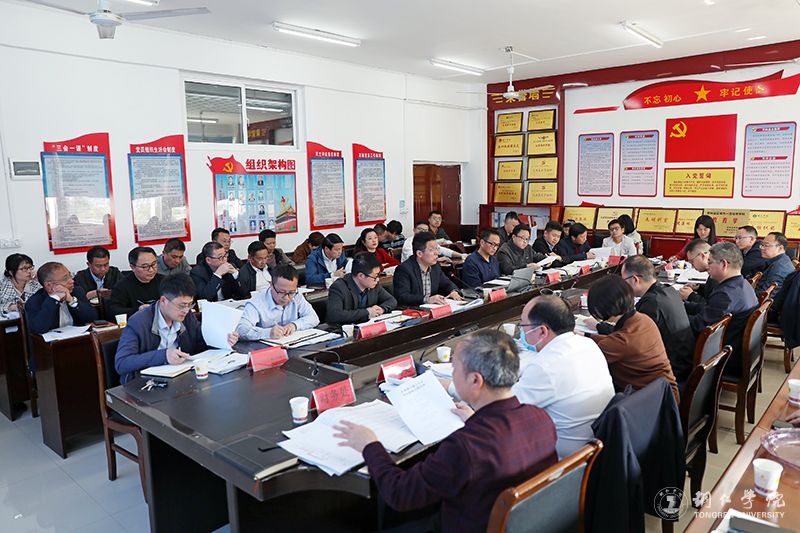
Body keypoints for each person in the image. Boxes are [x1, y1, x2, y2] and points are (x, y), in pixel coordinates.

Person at [333, 330, 558, 533]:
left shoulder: (466, 446)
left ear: (475, 380)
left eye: (454, 368)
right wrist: (476, 419)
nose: (452, 372)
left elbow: (400, 494)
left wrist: (370, 445)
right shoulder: (540, 418)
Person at [512, 295, 614, 459]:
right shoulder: (588, 344)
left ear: (542, 331)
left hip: (566, 460)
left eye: (523, 326)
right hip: (597, 446)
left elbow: (505, 411)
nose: (522, 332)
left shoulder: (545, 367)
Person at [114, 273, 238, 384]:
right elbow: (122, 363)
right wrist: (163, 356)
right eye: (181, 305)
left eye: (189, 305)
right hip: (144, 385)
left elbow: (200, 339)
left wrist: (223, 338)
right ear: (163, 300)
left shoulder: (186, 315)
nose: (186, 310)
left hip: (179, 380)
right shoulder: (139, 322)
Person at [585, 275, 679, 402]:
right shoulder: (642, 319)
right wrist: (587, 336)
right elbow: (613, 341)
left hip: (654, 404)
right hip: (665, 394)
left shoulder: (622, 341)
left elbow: (586, 361)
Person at [621, 255, 695, 387]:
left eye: (624, 281)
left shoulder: (651, 303)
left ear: (635, 279)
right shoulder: (669, 290)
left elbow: (632, 338)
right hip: (684, 362)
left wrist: (600, 326)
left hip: (671, 373)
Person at [687, 242, 758, 377]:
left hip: (724, 357)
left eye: (710, 262)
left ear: (724, 264)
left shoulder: (725, 294)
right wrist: (685, 305)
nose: (707, 266)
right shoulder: (742, 284)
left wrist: (674, 315)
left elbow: (699, 326)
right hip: (733, 348)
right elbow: (710, 311)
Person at [237, 265, 320, 340]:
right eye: (281, 292)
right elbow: (241, 329)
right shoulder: (256, 303)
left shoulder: (297, 295)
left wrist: (295, 325)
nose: (286, 297)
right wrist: (267, 333)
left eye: (291, 292)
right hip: (266, 348)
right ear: (271, 285)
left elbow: (314, 318)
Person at [25, 262, 97, 335]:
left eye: (70, 276)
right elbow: (38, 329)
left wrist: (72, 301)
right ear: (49, 285)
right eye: (65, 279)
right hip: (53, 341)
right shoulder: (35, 301)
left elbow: (92, 318)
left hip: (79, 337)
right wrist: (54, 299)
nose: (72, 281)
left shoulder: (76, 291)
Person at [393, 232, 463, 306]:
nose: (436, 253)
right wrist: (427, 299)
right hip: (413, 310)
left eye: (436, 249)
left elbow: (447, 284)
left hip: (432, 309)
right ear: (419, 253)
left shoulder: (435, 266)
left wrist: (453, 291)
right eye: (431, 250)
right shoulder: (404, 269)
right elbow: (402, 297)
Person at [326, 253, 397, 325]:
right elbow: (335, 315)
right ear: (361, 276)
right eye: (375, 276)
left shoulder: (373, 284)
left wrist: (381, 309)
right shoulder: (339, 287)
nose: (377, 279)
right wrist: (367, 313)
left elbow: (391, 300)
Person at [109, 247, 164, 320]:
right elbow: (113, 311)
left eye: (154, 264)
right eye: (145, 266)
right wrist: (138, 310)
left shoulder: (165, 281)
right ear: (133, 267)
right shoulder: (122, 286)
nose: (151, 270)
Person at [678, 240, 718, 314]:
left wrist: (691, 296)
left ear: (702, 256)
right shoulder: (713, 273)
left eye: (692, 261)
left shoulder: (718, 275)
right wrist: (699, 288)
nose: (692, 266)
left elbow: (710, 307)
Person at [757, 232, 794, 298]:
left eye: (766, 245)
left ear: (780, 248)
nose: (762, 248)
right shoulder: (779, 260)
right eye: (762, 245)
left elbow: (765, 296)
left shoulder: (780, 268)